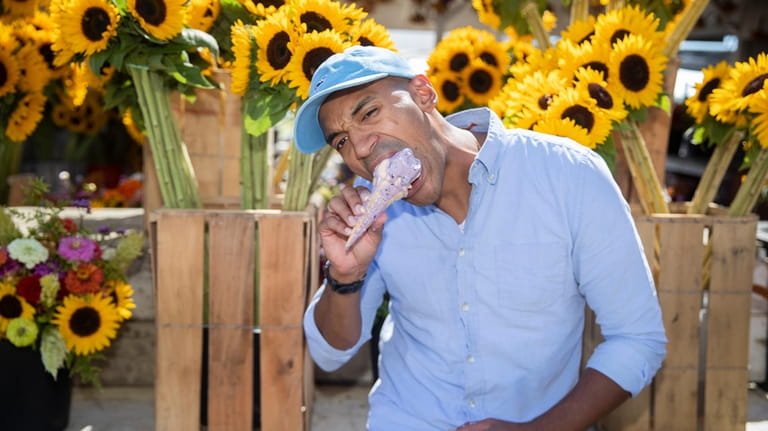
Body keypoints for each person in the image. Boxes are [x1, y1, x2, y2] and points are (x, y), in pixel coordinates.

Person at [295, 45, 667, 431]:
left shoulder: (567, 174)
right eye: (340, 141)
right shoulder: (366, 211)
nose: (360, 149)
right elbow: (331, 353)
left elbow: (637, 339)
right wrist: (344, 277)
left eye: (370, 113)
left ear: (423, 94)